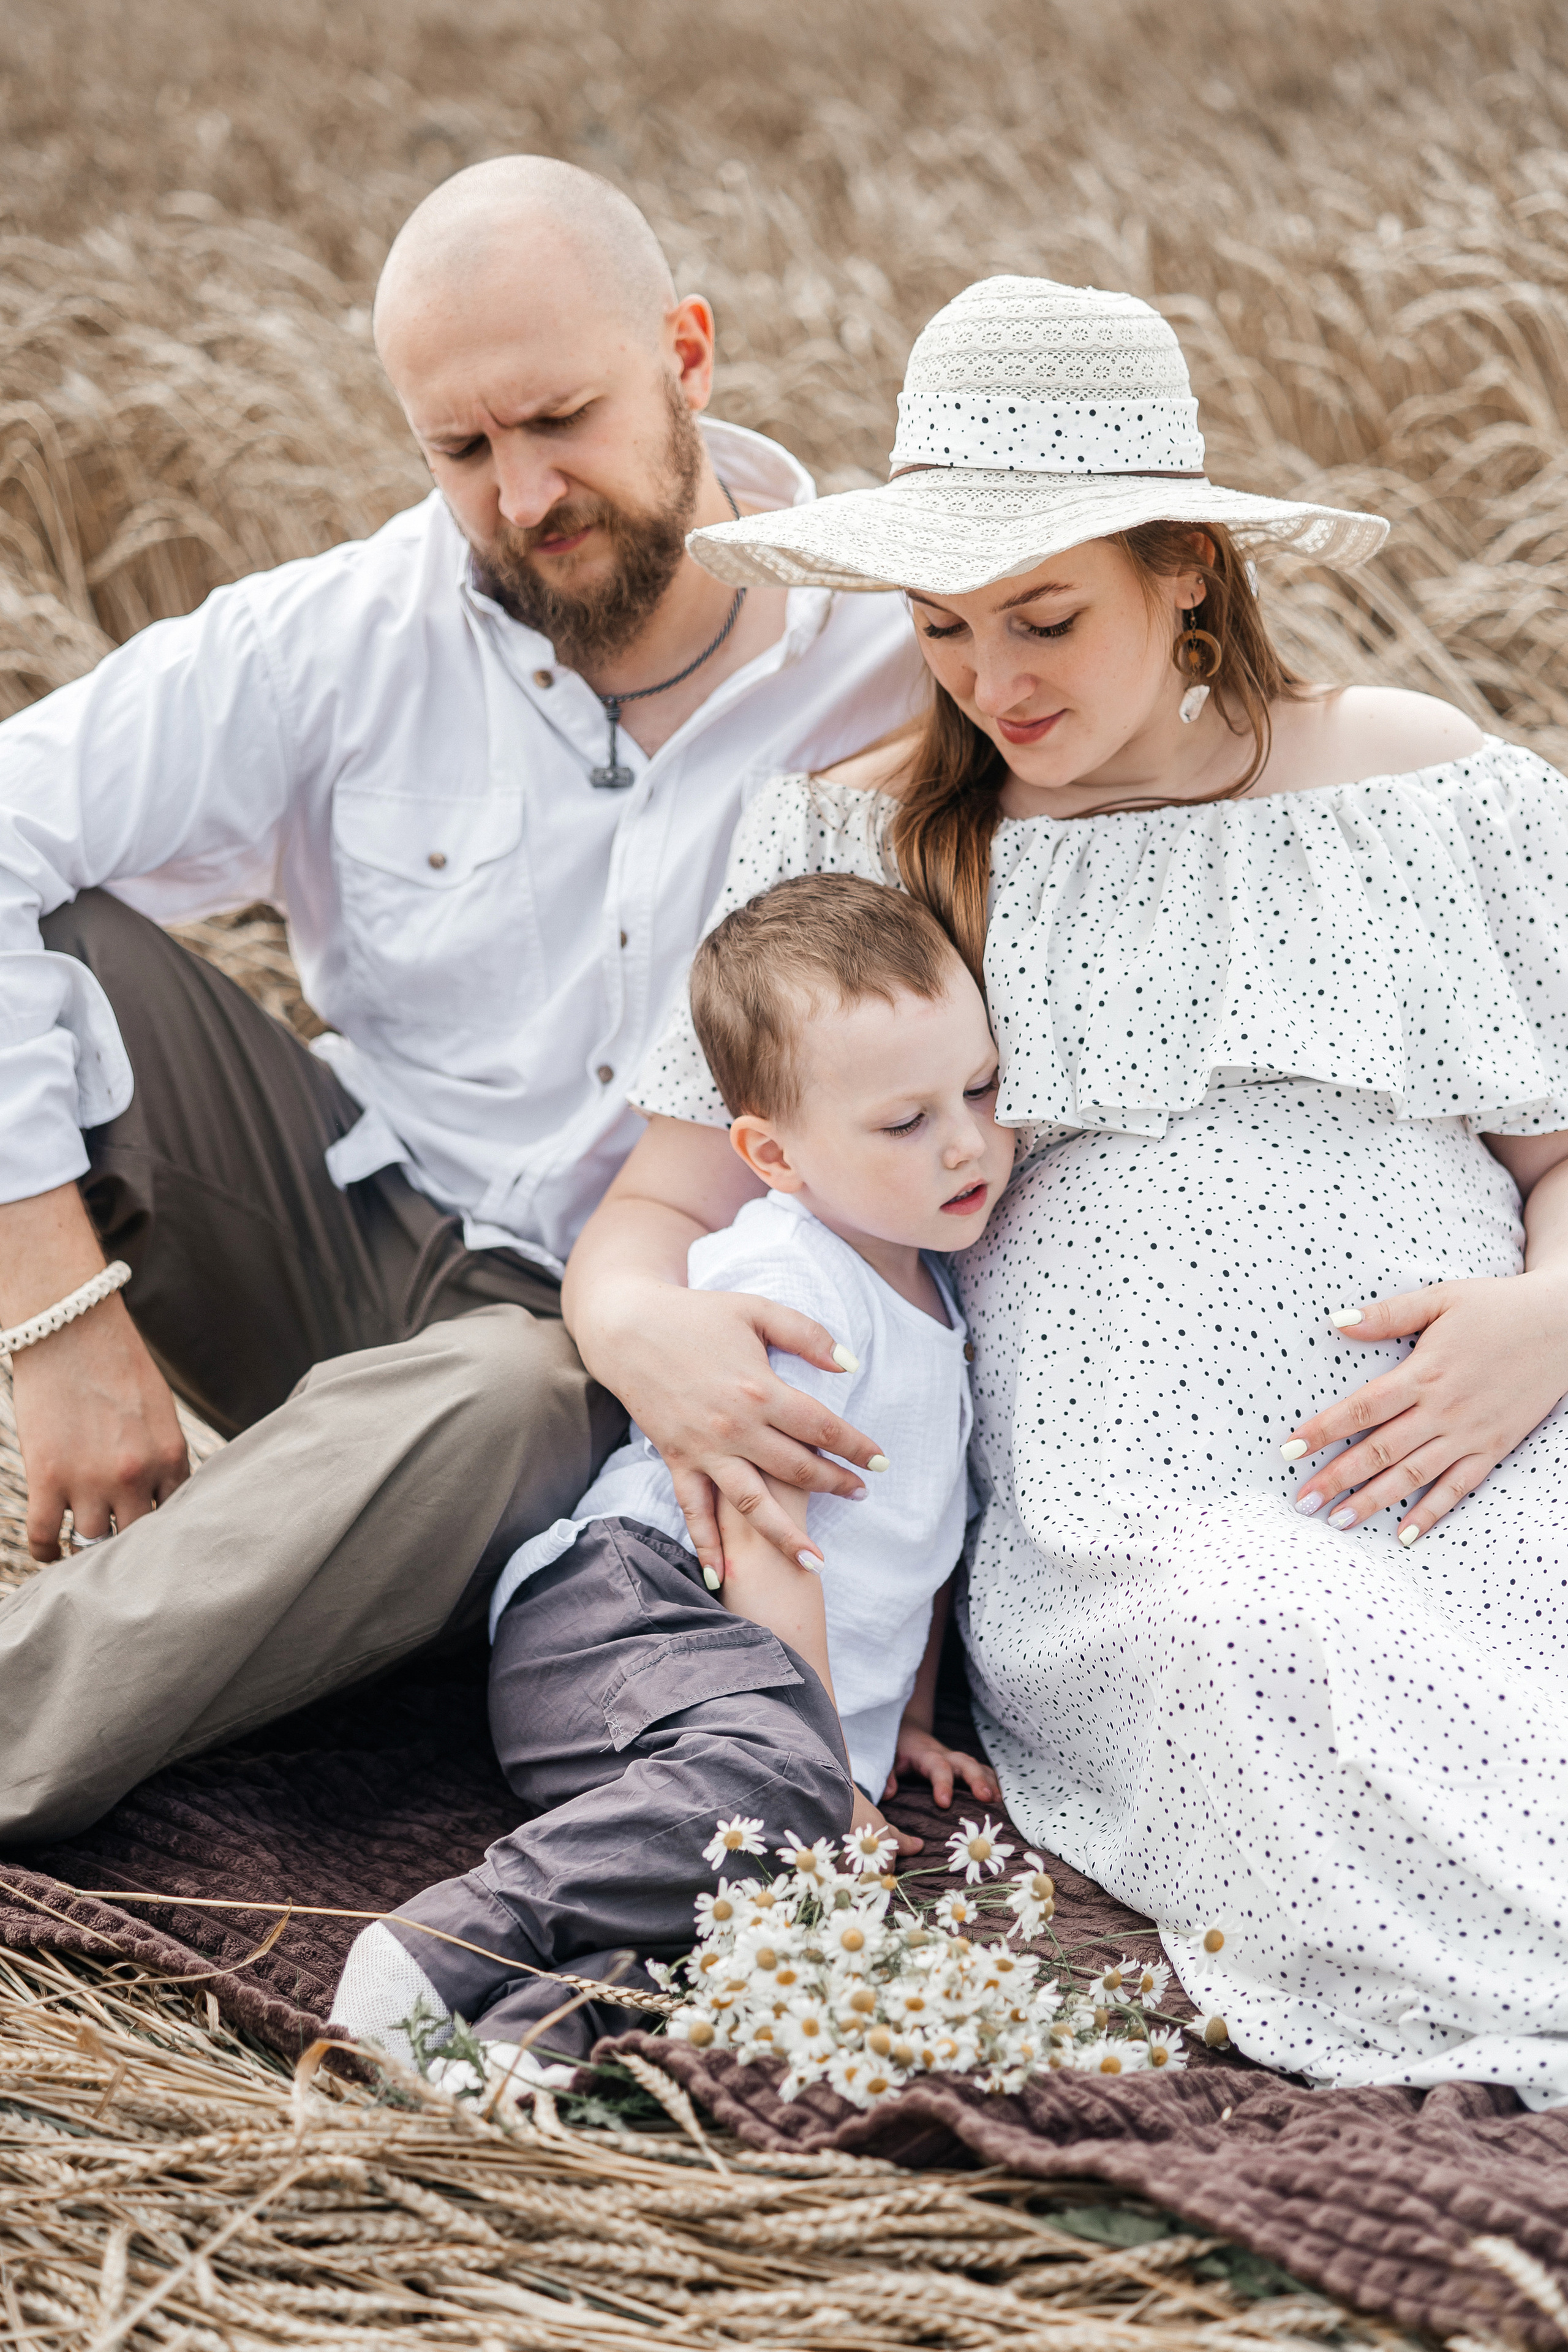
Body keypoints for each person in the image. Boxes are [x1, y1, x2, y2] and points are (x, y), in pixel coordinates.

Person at [566, 276, 1568, 2108]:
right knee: (1264, 1641)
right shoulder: (847, 841)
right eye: (944, 627)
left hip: (1496, 1426)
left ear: (1188, 565)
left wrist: (1549, 1314)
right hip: (1148, 1528)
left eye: (1047, 617)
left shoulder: (1427, 784)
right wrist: (657, 1344)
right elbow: (650, 1217)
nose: (992, 682)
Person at [0, 156, 923, 1845]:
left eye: (562, 420)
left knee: (497, 1393)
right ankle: (323, 1536)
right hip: (340, 1238)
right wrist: (53, 1310)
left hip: (626, 1349)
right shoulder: (339, 636)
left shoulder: (893, 650)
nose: (522, 496)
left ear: (689, 356)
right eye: (464, 451)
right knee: (55, 923)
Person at [329, 872, 1009, 2065]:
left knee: (739, 1912)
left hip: (747, 1710)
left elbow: (915, 1551)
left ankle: (515, 2047)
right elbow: (762, 1527)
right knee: (773, 1819)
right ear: (770, 1154)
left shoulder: (941, 1298)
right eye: (903, 1123)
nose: (964, 1141)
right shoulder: (792, 1282)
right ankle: (440, 1944)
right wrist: (811, 1756)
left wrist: (898, 1722)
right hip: (624, 1618)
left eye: (981, 1089)